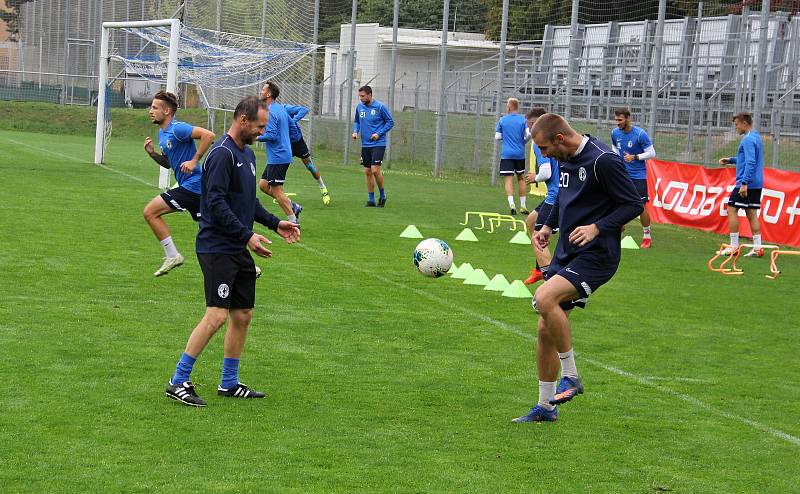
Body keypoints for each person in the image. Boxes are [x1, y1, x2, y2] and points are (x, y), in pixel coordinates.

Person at [164, 96, 301, 407]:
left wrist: (274, 223)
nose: (262, 132)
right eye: (259, 126)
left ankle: (228, 382)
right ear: (242, 120)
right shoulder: (222, 155)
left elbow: (247, 202)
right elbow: (215, 203)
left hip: (236, 246)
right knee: (216, 315)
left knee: (242, 315)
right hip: (216, 247)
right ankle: (177, 380)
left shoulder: (248, 155)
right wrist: (247, 236)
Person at [513, 113, 643, 423]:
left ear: (559, 139)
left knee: (543, 299)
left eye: (544, 149)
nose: (543, 155)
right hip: (568, 253)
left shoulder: (603, 161)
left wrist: (597, 227)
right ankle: (546, 407)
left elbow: (633, 205)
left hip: (597, 255)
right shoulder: (567, 158)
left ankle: (571, 375)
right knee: (545, 328)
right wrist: (547, 226)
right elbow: (565, 198)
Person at [143, 90, 215, 277]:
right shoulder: (162, 133)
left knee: (150, 212)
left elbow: (209, 135)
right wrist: (152, 154)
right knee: (214, 231)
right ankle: (245, 265)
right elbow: (169, 164)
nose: (150, 111)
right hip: (192, 188)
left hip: (193, 185)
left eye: (154, 107)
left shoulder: (178, 128)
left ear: (167, 111)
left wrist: (194, 160)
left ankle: (172, 255)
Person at [718, 112, 765, 257]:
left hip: (747, 183)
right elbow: (748, 159)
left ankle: (734, 247)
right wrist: (731, 160)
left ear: (745, 123)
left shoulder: (748, 140)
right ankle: (758, 248)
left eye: (737, 125)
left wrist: (744, 183)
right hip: (756, 183)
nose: (736, 128)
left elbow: (750, 162)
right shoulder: (756, 137)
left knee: (731, 209)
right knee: (752, 214)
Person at [521, 107, 559, 285]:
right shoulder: (556, 138)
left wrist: (534, 178)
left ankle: (550, 283)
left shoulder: (539, 142)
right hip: (558, 194)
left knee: (538, 237)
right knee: (531, 220)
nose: (529, 129)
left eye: (531, 124)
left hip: (556, 198)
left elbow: (546, 172)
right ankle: (539, 269)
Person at [611, 107, 657, 248]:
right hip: (622, 175)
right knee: (616, 203)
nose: (618, 123)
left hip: (638, 176)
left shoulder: (639, 134)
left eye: (620, 120)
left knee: (640, 207)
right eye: (616, 120)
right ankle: (619, 226)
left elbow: (652, 153)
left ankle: (647, 236)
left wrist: (635, 157)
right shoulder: (614, 133)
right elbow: (614, 149)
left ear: (628, 118)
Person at [258, 82, 303, 224]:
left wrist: (255, 136)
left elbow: (271, 135)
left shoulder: (270, 111)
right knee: (263, 185)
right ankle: (293, 206)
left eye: (263, 89)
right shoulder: (281, 109)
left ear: (269, 94)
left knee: (277, 191)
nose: (260, 91)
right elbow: (294, 130)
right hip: (280, 155)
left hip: (278, 157)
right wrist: (288, 142)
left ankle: (293, 221)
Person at [352, 85, 394, 207]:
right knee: (367, 171)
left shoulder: (380, 107)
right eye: (360, 96)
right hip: (365, 144)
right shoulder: (359, 107)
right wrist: (355, 131)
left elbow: (390, 122)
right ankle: (371, 200)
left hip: (378, 143)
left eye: (363, 96)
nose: (361, 98)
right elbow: (357, 121)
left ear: (370, 95)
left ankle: (382, 195)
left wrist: (379, 133)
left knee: (375, 169)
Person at [282, 103, 331, 205]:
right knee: (281, 167)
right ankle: (280, 195)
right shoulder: (266, 113)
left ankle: (323, 188)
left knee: (310, 166)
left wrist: (292, 121)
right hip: (285, 143)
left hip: (297, 142)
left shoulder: (284, 109)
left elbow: (304, 110)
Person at [495, 98, 530, 215]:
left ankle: (511, 203)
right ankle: (523, 206)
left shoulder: (502, 120)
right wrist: (523, 142)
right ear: (517, 107)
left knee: (508, 179)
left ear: (509, 107)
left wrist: (506, 138)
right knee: (520, 178)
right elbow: (528, 134)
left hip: (507, 154)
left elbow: (497, 136)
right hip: (519, 153)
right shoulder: (523, 120)